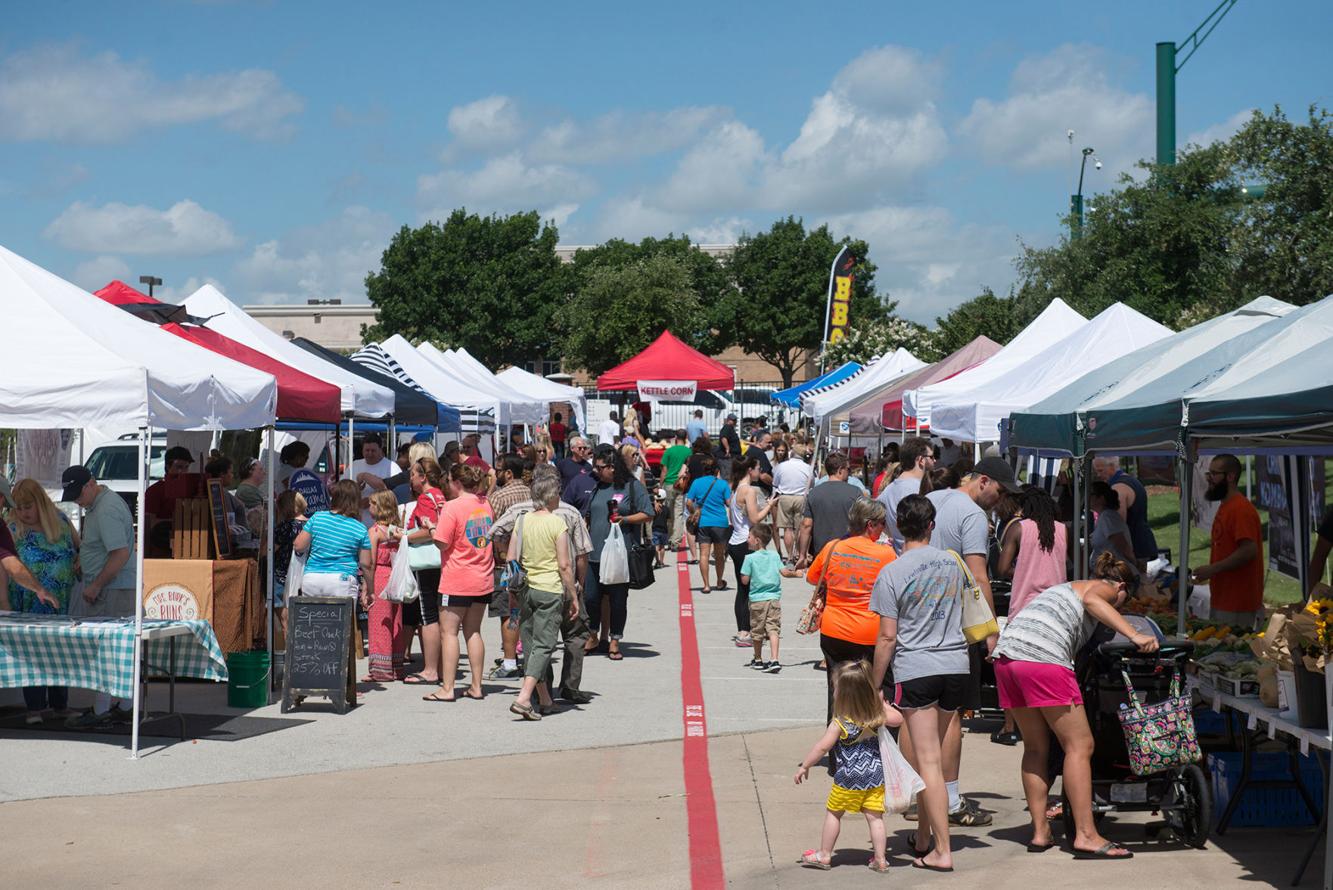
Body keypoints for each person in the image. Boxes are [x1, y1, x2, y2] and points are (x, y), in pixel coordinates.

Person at [993, 552, 1154, 860]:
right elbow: (1095, 601)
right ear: (1121, 586)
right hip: (1042, 659)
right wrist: (1135, 634)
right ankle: (1086, 835)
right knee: (1080, 746)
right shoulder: (1103, 587)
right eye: (1124, 599)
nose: (1120, 605)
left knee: (1036, 749)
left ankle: (1040, 832)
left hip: (1008, 657)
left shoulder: (1065, 588)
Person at [869, 493, 971, 872]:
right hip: (956, 664)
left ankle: (943, 850)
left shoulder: (892, 572)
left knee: (927, 761)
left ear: (898, 526)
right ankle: (927, 838)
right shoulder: (953, 563)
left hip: (918, 668)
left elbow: (887, 637)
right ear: (931, 526)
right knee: (939, 761)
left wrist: (875, 682)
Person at [923, 455, 1019, 827]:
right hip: (954, 627)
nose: (1002, 498)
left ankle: (917, 796)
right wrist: (992, 630)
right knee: (952, 719)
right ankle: (948, 800)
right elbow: (980, 577)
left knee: (918, 714)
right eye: (1000, 490)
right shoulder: (974, 516)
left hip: (920, 620)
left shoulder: (934, 499)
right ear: (983, 481)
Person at [801, 498, 898, 766]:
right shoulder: (886, 555)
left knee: (838, 692)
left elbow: (812, 576)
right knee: (877, 693)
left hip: (833, 632)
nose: (883, 529)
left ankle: (837, 757)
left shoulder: (833, 547)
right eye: (881, 524)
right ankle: (878, 756)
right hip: (869, 634)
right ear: (870, 525)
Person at [491, 464, 595, 703]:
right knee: (574, 637)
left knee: (535, 639)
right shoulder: (568, 513)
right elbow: (580, 554)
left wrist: (506, 553)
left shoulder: (519, 513)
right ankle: (568, 687)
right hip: (558, 585)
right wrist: (579, 585)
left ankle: (543, 692)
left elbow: (495, 531)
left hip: (528, 585)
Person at [793, 660, 902, 873]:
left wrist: (805, 766)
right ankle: (880, 859)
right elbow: (898, 719)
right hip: (875, 776)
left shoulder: (840, 722)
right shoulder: (876, 715)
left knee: (834, 813)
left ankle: (824, 855)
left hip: (848, 777)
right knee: (875, 817)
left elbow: (822, 747)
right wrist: (881, 704)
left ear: (842, 695)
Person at [60, 465, 137, 727]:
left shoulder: (106, 509)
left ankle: (104, 709)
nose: (77, 502)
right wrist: (85, 560)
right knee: (114, 650)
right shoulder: (101, 505)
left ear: (91, 484)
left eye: (78, 495)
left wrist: (95, 585)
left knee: (107, 650)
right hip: (113, 587)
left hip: (112, 589)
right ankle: (121, 706)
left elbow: (120, 554)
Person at [506, 475, 579, 720]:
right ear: (550, 496)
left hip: (526, 589)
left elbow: (511, 559)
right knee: (544, 645)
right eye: (557, 492)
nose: (560, 496)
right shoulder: (557, 524)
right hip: (549, 589)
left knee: (530, 645)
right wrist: (574, 596)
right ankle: (524, 698)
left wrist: (512, 592)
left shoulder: (522, 521)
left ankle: (545, 700)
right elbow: (565, 565)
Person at [6, 479, 78, 722]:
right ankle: (35, 707)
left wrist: (78, 564)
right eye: (19, 507)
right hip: (28, 603)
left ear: (40, 503)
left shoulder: (61, 522)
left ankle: (60, 705)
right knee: (33, 653)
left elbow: (80, 550)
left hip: (60, 602)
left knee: (60, 651)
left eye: (28, 506)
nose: (23, 513)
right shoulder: (12, 528)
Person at [430, 462, 494, 701]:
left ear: (456, 483)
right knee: (473, 631)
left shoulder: (452, 507)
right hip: (482, 576)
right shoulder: (485, 504)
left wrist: (431, 530)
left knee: (449, 633)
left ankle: (448, 688)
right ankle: (477, 686)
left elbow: (443, 542)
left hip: (457, 577)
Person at [583, 444, 653, 660]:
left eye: (600, 466)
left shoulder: (632, 486)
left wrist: (625, 520)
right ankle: (593, 634)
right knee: (591, 598)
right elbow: (589, 516)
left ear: (612, 467)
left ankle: (614, 639)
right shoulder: (597, 488)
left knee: (617, 600)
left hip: (619, 555)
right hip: (595, 554)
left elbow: (648, 513)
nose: (596, 470)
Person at [1192, 454, 1265, 629]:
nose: (1209, 479)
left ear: (1230, 476)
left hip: (1238, 602)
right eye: (1208, 474)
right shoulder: (1226, 506)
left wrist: (1213, 569)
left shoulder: (1240, 509)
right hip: (1223, 598)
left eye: (1213, 474)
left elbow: (1249, 550)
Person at [403, 457, 447, 687]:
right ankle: (438, 666)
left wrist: (403, 536)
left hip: (425, 562)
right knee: (438, 615)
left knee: (428, 616)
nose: (410, 479)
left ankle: (430, 669)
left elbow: (430, 530)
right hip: (440, 561)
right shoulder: (440, 495)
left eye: (413, 474)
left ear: (423, 477)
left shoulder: (425, 498)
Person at [488, 454, 532, 680]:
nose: (494, 474)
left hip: (505, 563)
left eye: (498, 470)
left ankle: (509, 661)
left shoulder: (499, 496)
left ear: (508, 473)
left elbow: (488, 526)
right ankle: (519, 655)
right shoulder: (532, 492)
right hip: (532, 561)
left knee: (508, 612)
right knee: (522, 611)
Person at [292, 479, 372, 601]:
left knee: (311, 619)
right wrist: (371, 590)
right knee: (341, 619)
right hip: (342, 581)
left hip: (313, 579)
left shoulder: (317, 517)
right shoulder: (360, 528)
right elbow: (366, 564)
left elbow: (298, 545)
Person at [998, 487, 1068, 618]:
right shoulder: (1063, 530)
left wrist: (1025, 572)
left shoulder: (1018, 528)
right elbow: (1077, 567)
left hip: (1024, 607)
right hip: (1056, 605)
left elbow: (1003, 569)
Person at [728, 457, 775, 649]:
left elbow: (734, 518)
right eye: (758, 468)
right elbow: (755, 518)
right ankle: (745, 631)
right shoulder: (749, 490)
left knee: (742, 588)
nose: (760, 471)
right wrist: (769, 506)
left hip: (735, 541)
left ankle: (744, 629)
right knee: (750, 589)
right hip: (744, 543)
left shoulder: (736, 489)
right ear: (750, 470)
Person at [365, 490, 408, 682]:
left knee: (379, 622)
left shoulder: (374, 531)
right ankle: (396, 666)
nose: (369, 507)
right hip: (396, 575)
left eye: (372, 504)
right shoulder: (396, 530)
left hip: (380, 575)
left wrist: (367, 588)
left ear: (380, 507)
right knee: (396, 621)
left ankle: (381, 670)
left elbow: (371, 562)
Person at [796, 453, 861, 568]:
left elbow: (806, 525)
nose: (849, 473)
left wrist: (802, 555)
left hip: (822, 553)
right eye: (848, 469)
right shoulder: (855, 492)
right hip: (848, 552)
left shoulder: (814, 493)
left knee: (822, 583)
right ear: (840, 470)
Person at [1092, 456, 1157, 570]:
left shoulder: (1118, 488)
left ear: (1111, 466)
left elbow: (1117, 527)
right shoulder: (1132, 480)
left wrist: (1130, 558)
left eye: (1100, 470)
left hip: (1134, 548)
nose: (1098, 475)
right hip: (1141, 542)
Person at [877, 436, 935, 553]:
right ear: (921, 460)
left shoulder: (887, 491)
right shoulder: (920, 490)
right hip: (921, 558)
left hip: (899, 556)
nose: (935, 461)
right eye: (932, 457)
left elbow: (884, 528)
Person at [685, 456, 732, 596]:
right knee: (719, 555)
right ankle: (718, 581)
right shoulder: (722, 484)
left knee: (704, 554)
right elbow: (729, 503)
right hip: (720, 523)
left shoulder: (697, 483)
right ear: (717, 470)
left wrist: (694, 512)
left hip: (704, 522)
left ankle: (706, 585)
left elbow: (688, 502)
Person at [742, 524, 784, 671]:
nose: (747, 540)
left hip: (757, 600)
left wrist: (744, 574)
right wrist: (795, 573)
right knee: (773, 628)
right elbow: (784, 572)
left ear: (757, 540)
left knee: (757, 630)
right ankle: (774, 659)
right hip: (773, 598)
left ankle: (758, 659)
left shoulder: (749, 558)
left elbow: (745, 580)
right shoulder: (774, 555)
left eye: (749, 537)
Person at [272, 490, 306, 635]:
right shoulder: (312, 525)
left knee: (285, 619)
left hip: (283, 576)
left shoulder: (285, 526)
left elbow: (270, 549)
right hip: (305, 576)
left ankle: (288, 651)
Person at [773, 442, 813, 563]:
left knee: (787, 529)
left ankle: (790, 556)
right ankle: (799, 554)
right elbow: (812, 484)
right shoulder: (807, 468)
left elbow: (775, 483)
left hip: (785, 497)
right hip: (801, 497)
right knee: (800, 528)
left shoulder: (782, 466)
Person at [144, 446, 199, 535]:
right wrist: (175, 522)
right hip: (162, 540)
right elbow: (149, 522)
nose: (183, 471)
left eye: (186, 467)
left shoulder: (191, 488)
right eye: (179, 467)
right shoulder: (155, 490)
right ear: (168, 467)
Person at [1089, 481, 1137, 571]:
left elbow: (1122, 544)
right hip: (1108, 573)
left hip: (1116, 574)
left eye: (1090, 494)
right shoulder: (1103, 517)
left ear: (1101, 498)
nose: (1087, 498)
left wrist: (1133, 563)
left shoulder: (1108, 517)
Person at [352, 433, 396, 526]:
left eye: (373, 450)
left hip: (382, 525)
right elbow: (343, 489)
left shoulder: (392, 467)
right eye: (367, 450)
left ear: (380, 449)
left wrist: (371, 501)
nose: (370, 454)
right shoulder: (355, 465)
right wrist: (356, 490)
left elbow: (395, 495)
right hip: (357, 524)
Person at [660, 429, 692, 553]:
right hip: (681, 484)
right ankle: (676, 541)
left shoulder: (669, 451)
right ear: (686, 437)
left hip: (668, 483)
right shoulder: (688, 451)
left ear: (675, 437)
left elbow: (664, 470)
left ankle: (668, 537)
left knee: (668, 512)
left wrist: (660, 484)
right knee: (678, 512)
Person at [282, 440, 329, 513]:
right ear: (297, 456)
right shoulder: (287, 471)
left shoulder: (288, 470)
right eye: (305, 456)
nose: (307, 459)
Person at [717, 413, 741, 478]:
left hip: (732, 456)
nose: (734, 422)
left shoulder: (730, 428)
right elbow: (724, 438)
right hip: (728, 457)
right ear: (728, 420)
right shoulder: (727, 427)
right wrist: (727, 449)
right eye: (733, 420)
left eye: (735, 420)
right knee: (728, 476)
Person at [651, 487, 670, 569]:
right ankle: (662, 561)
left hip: (655, 529)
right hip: (664, 530)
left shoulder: (654, 508)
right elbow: (669, 520)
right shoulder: (666, 509)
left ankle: (657, 561)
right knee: (662, 547)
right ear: (664, 498)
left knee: (656, 546)